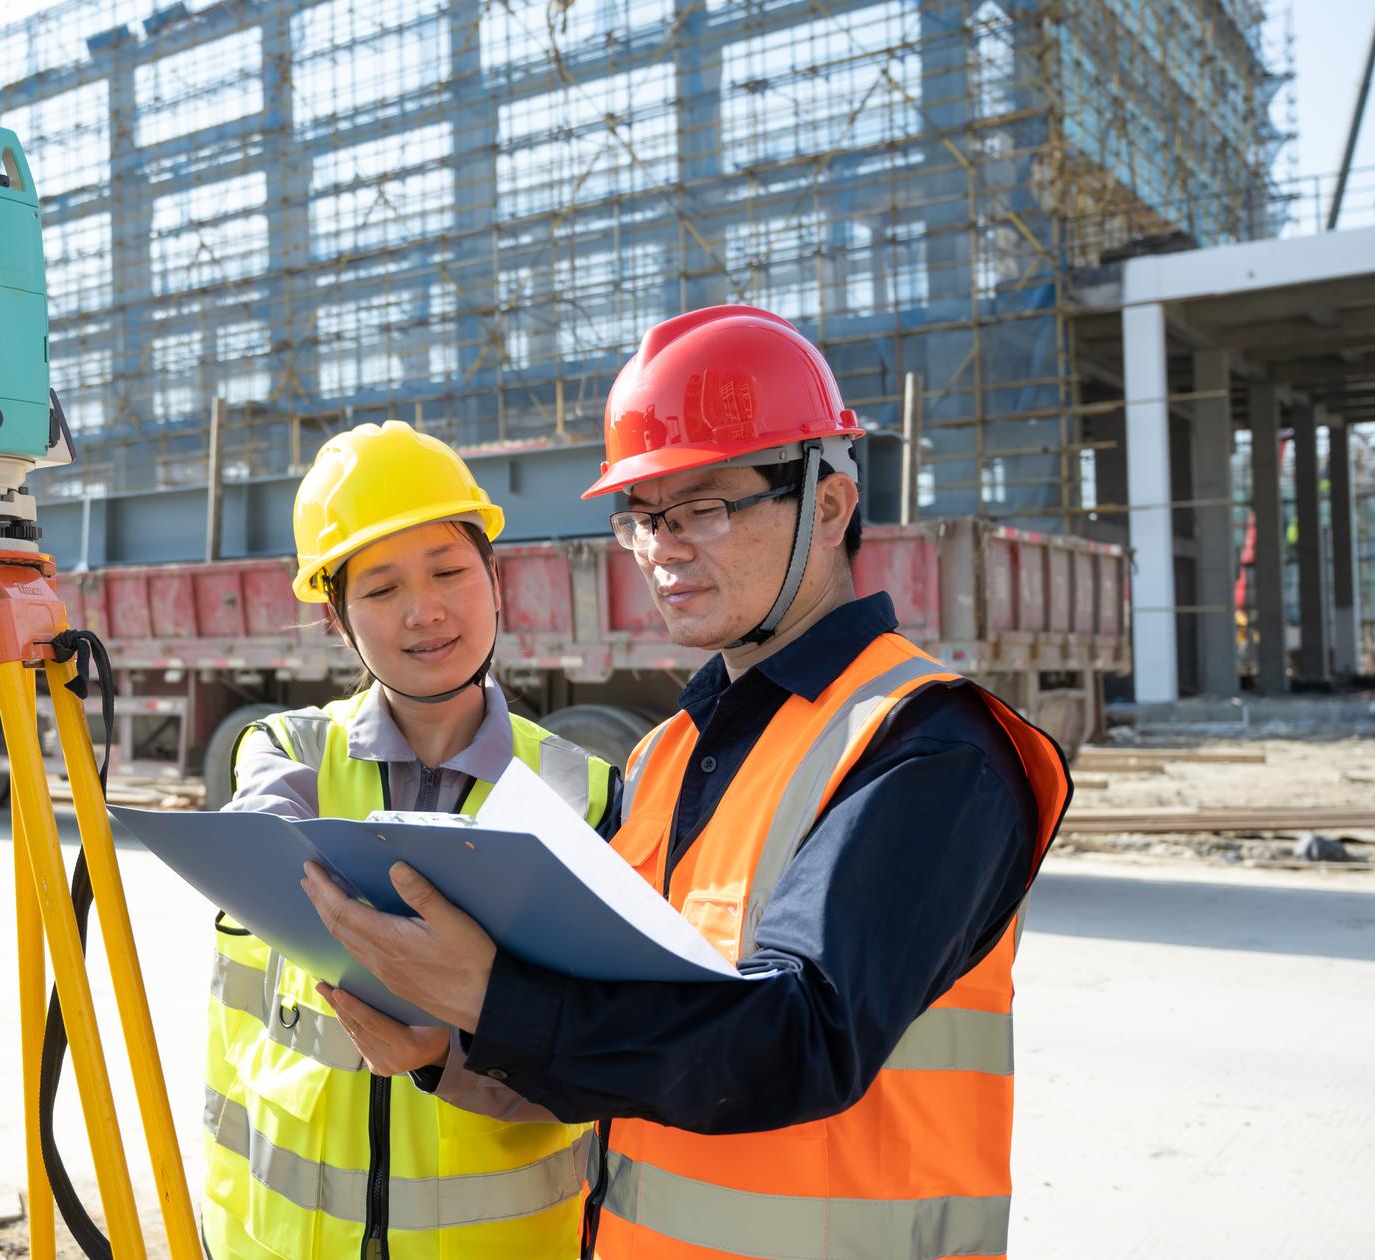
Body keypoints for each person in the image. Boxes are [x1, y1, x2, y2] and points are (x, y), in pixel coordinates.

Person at [302, 307, 1072, 1260]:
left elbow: (799, 1040)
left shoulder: (929, 746)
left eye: (704, 507)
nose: (664, 547)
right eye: (642, 517)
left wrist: (495, 999)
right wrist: (452, 1046)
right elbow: (631, 1039)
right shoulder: (666, 755)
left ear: (829, 506)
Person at [203, 419, 627, 1260]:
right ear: (336, 617)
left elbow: (609, 1052)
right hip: (276, 1239)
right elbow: (265, 839)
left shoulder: (580, 795)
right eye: (381, 588)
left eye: (448, 570)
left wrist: (448, 1049)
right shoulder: (289, 755)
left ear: (495, 579)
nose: (425, 610)